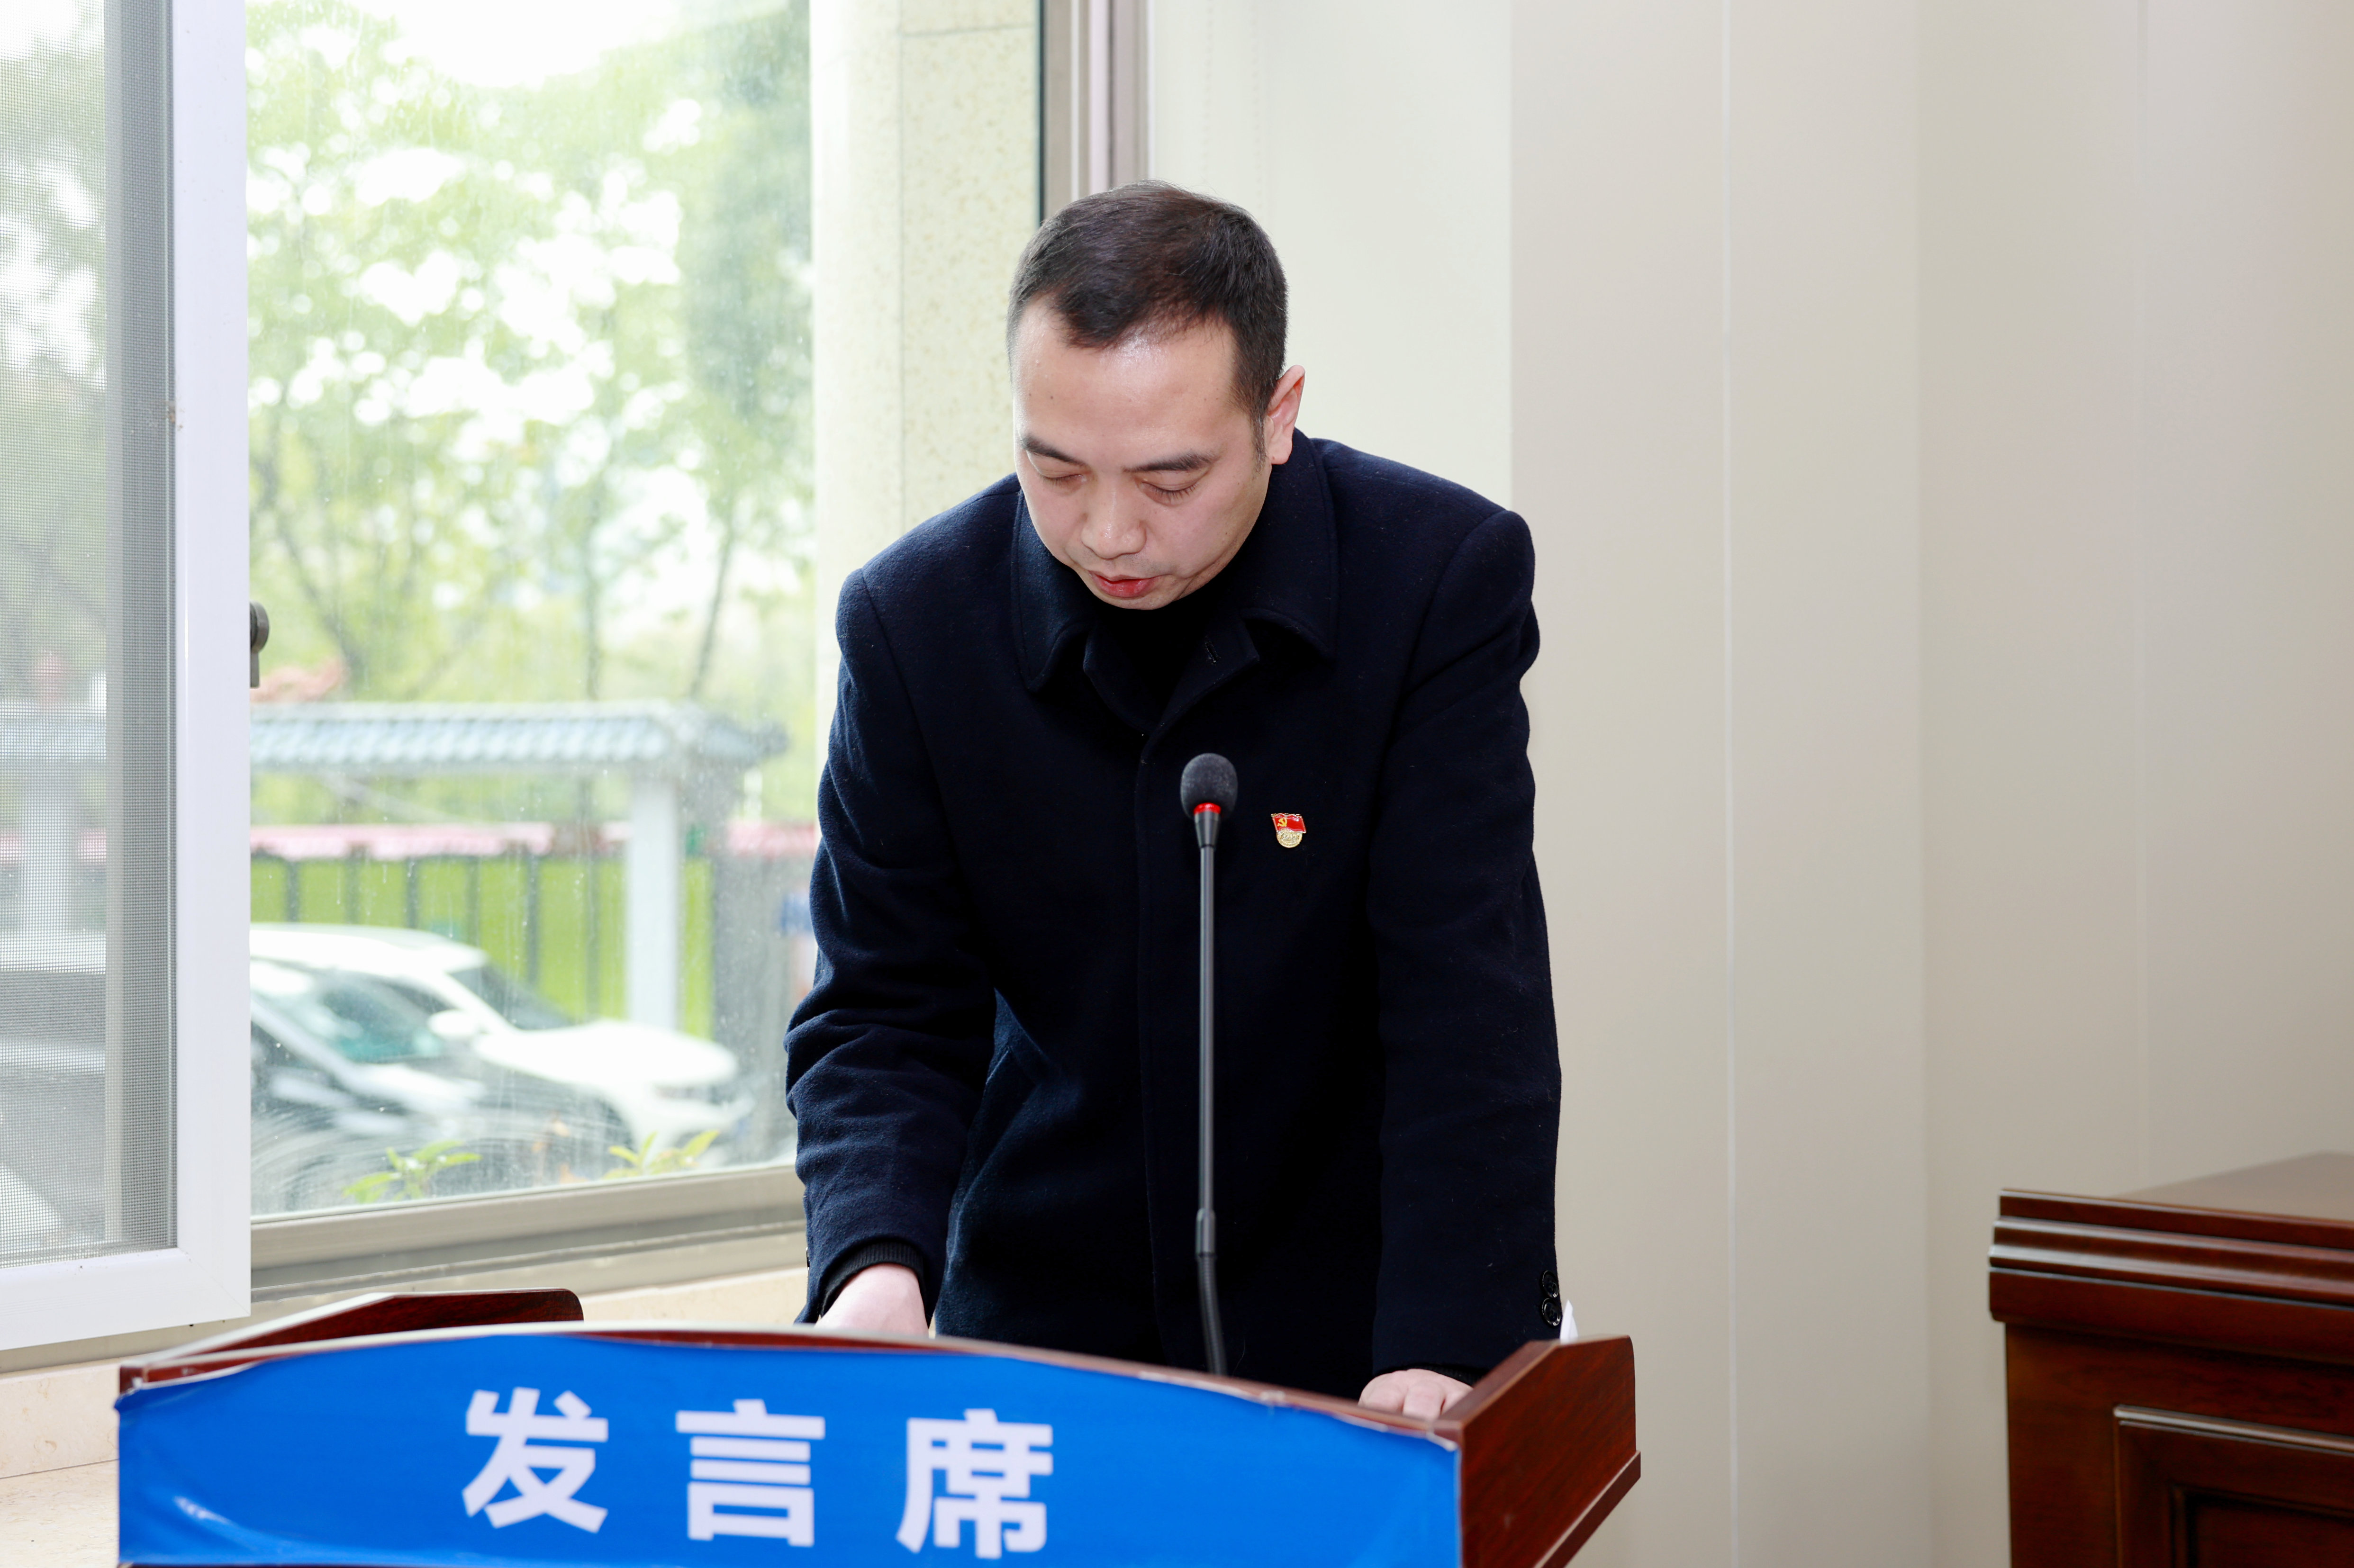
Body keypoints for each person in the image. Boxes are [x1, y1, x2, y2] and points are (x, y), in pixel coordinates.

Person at [786, 182, 1560, 1419]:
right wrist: (876, 1268)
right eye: (1056, 469)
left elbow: (1465, 1001)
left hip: (1359, 1331)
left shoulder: (1430, 582)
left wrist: (1442, 1347)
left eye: (1168, 479)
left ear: (1277, 414)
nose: (1108, 533)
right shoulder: (915, 623)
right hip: (1038, 1328)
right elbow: (886, 1010)